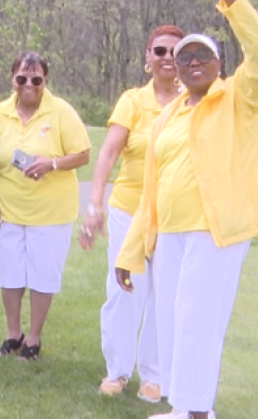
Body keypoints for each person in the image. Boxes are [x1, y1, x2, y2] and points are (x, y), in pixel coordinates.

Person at [116, 0, 258, 419]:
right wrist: (130, 251)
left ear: (219, 64)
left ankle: (196, 413)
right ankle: (185, 408)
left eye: (203, 55)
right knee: (173, 322)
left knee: (198, 321)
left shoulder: (238, 95)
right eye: (184, 56)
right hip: (170, 234)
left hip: (216, 232)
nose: (192, 62)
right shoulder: (168, 115)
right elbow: (152, 190)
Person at [80, 24, 185, 402]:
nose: (167, 58)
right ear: (147, 57)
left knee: (164, 297)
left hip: (173, 215)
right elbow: (108, 154)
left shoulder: (193, 101)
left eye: (175, 51)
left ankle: (154, 375)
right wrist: (95, 206)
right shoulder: (132, 100)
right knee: (125, 291)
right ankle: (117, 371)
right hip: (129, 210)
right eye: (160, 51)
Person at [0, 51, 91, 361]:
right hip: (8, 210)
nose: (28, 85)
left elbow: (83, 154)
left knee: (43, 275)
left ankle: (33, 338)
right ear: (12, 79)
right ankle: (13, 333)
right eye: (21, 78)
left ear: (46, 80)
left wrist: (51, 163)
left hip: (50, 213)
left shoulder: (61, 111)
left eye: (36, 79)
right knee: (10, 274)